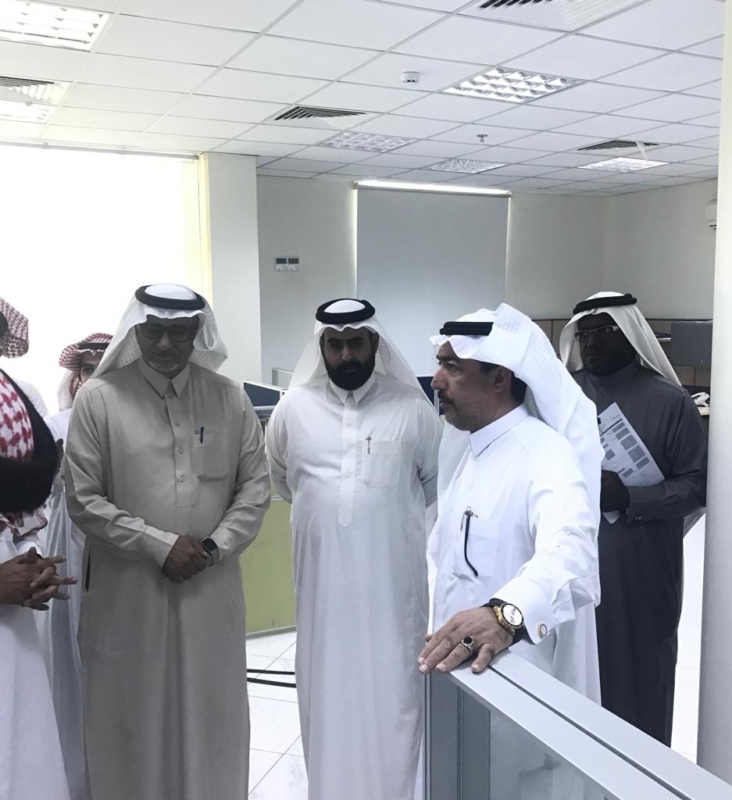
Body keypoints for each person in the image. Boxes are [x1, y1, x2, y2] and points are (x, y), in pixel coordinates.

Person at [65, 284, 271, 800]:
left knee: (211, 711)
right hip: (128, 596)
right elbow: (84, 500)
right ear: (136, 330)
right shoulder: (99, 399)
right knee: (130, 712)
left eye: (178, 331)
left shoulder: (229, 398)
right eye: (153, 330)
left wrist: (214, 548)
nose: (164, 343)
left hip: (209, 590)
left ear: (197, 332)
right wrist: (159, 545)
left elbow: (255, 488)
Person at [419, 303, 603, 799]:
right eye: (440, 364)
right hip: (458, 688)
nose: (436, 380)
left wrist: (504, 615)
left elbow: (572, 552)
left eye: (452, 367)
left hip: (513, 698)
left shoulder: (544, 454)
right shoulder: (467, 449)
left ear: (500, 378)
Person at [266, 298, 441, 800]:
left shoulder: (412, 408)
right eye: (335, 344)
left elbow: (433, 483)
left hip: (392, 597)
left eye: (355, 343)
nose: (346, 355)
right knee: (326, 694)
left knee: (394, 694)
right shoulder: (293, 409)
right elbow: (283, 479)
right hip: (323, 598)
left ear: (374, 343)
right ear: (321, 347)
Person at [560, 291, 708, 746]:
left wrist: (630, 497)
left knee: (642, 671)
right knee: (576, 672)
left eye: (604, 331)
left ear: (629, 333)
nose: (592, 343)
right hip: (571, 561)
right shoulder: (563, 397)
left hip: (641, 564)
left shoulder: (670, 402)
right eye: (584, 334)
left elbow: (697, 486)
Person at [0, 297, 75, 800]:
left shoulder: (16, 396)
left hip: (12, 616)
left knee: (22, 743)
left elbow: (22, 503)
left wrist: (31, 560)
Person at [41, 332, 111, 800]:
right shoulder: (55, 425)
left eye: (101, 371)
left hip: (119, 548)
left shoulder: (130, 421)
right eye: (85, 371)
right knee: (68, 654)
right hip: (66, 542)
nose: (90, 380)